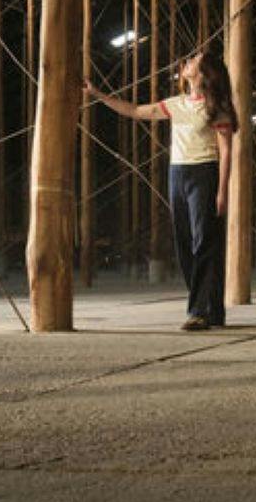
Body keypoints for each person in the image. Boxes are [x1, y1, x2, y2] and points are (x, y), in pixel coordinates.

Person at [86, 49, 236, 331]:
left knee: (204, 241)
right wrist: (99, 95)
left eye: (194, 61)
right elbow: (135, 110)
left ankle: (198, 311)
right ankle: (213, 310)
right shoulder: (176, 104)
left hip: (205, 173)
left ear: (204, 74)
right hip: (177, 174)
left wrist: (223, 190)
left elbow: (227, 150)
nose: (187, 62)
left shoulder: (217, 107)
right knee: (184, 243)